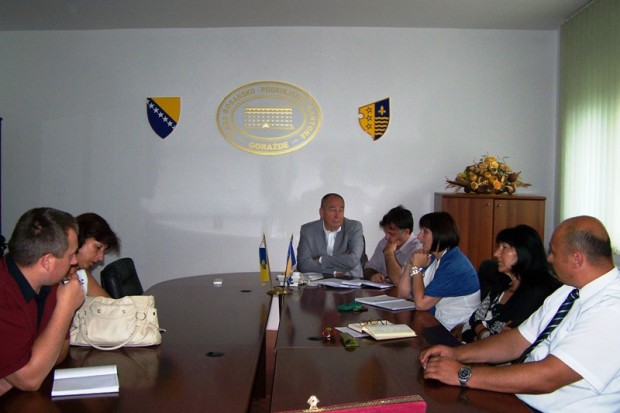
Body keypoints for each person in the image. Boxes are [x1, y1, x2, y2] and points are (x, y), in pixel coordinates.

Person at [419, 216, 620, 412]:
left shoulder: (611, 309)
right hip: (521, 399)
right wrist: (456, 353)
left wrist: (462, 374)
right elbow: (518, 340)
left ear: (577, 259)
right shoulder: (569, 291)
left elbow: (548, 377)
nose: (549, 258)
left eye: (554, 252)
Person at [0, 207, 84, 396]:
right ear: (47, 262)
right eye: (70, 255)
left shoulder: (48, 285)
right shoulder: (4, 295)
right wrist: (66, 307)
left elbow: (58, 353)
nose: (74, 262)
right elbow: (30, 380)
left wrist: (35, 361)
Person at [453, 225, 560, 343]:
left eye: (504, 247)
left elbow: (503, 337)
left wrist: (478, 331)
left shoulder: (536, 293)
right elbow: (475, 318)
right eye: (498, 247)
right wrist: (481, 331)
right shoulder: (503, 282)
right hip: (474, 345)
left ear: (523, 252)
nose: (496, 254)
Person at [396, 211, 480, 330]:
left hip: (454, 330)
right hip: (436, 321)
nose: (419, 236)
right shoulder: (434, 259)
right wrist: (411, 262)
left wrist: (416, 268)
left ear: (439, 234)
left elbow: (421, 304)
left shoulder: (454, 265)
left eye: (425, 231)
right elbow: (403, 294)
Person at [296, 193, 364, 278]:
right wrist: (332, 272)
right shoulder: (308, 230)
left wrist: (321, 259)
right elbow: (303, 264)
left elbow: (353, 260)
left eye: (341, 210)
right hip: (318, 282)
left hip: (350, 280)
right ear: (321, 213)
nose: (337, 216)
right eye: (332, 210)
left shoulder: (354, 227)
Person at [363, 205, 421, 285]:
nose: (386, 237)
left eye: (391, 233)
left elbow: (400, 282)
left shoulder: (418, 248)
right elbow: (368, 268)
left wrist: (389, 253)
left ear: (406, 232)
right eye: (386, 232)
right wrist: (373, 275)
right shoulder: (384, 242)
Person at [71, 212, 121, 297]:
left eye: (103, 251)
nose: (101, 258)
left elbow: (109, 303)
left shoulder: (81, 274)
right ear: (78, 238)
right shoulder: (54, 278)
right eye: (98, 247)